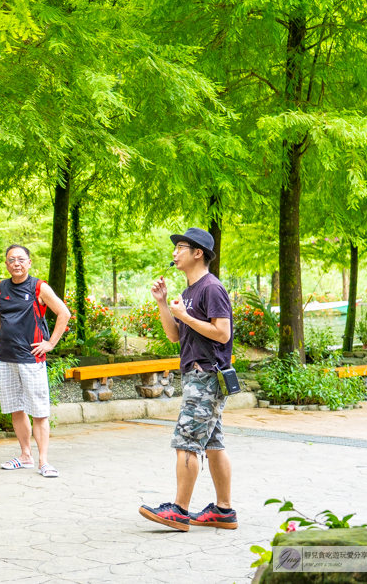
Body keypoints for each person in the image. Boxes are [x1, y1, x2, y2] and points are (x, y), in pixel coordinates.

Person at [139, 227, 237, 532]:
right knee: (213, 443)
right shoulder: (189, 292)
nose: (174, 252)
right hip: (198, 375)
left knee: (187, 441)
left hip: (206, 374)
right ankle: (224, 511)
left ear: (198, 253)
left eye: (180, 247)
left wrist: (186, 317)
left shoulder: (211, 288)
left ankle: (179, 510)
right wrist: (164, 303)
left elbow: (223, 333)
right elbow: (174, 335)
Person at [0, 245, 71, 478]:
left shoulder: (39, 287)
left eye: (21, 259)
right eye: (11, 259)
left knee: (39, 412)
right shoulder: (0, 288)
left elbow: (64, 313)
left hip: (31, 359)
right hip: (7, 358)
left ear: (29, 263)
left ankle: (44, 461)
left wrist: (50, 343)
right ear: (6, 264)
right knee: (15, 409)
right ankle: (25, 456)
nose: (16, 263)